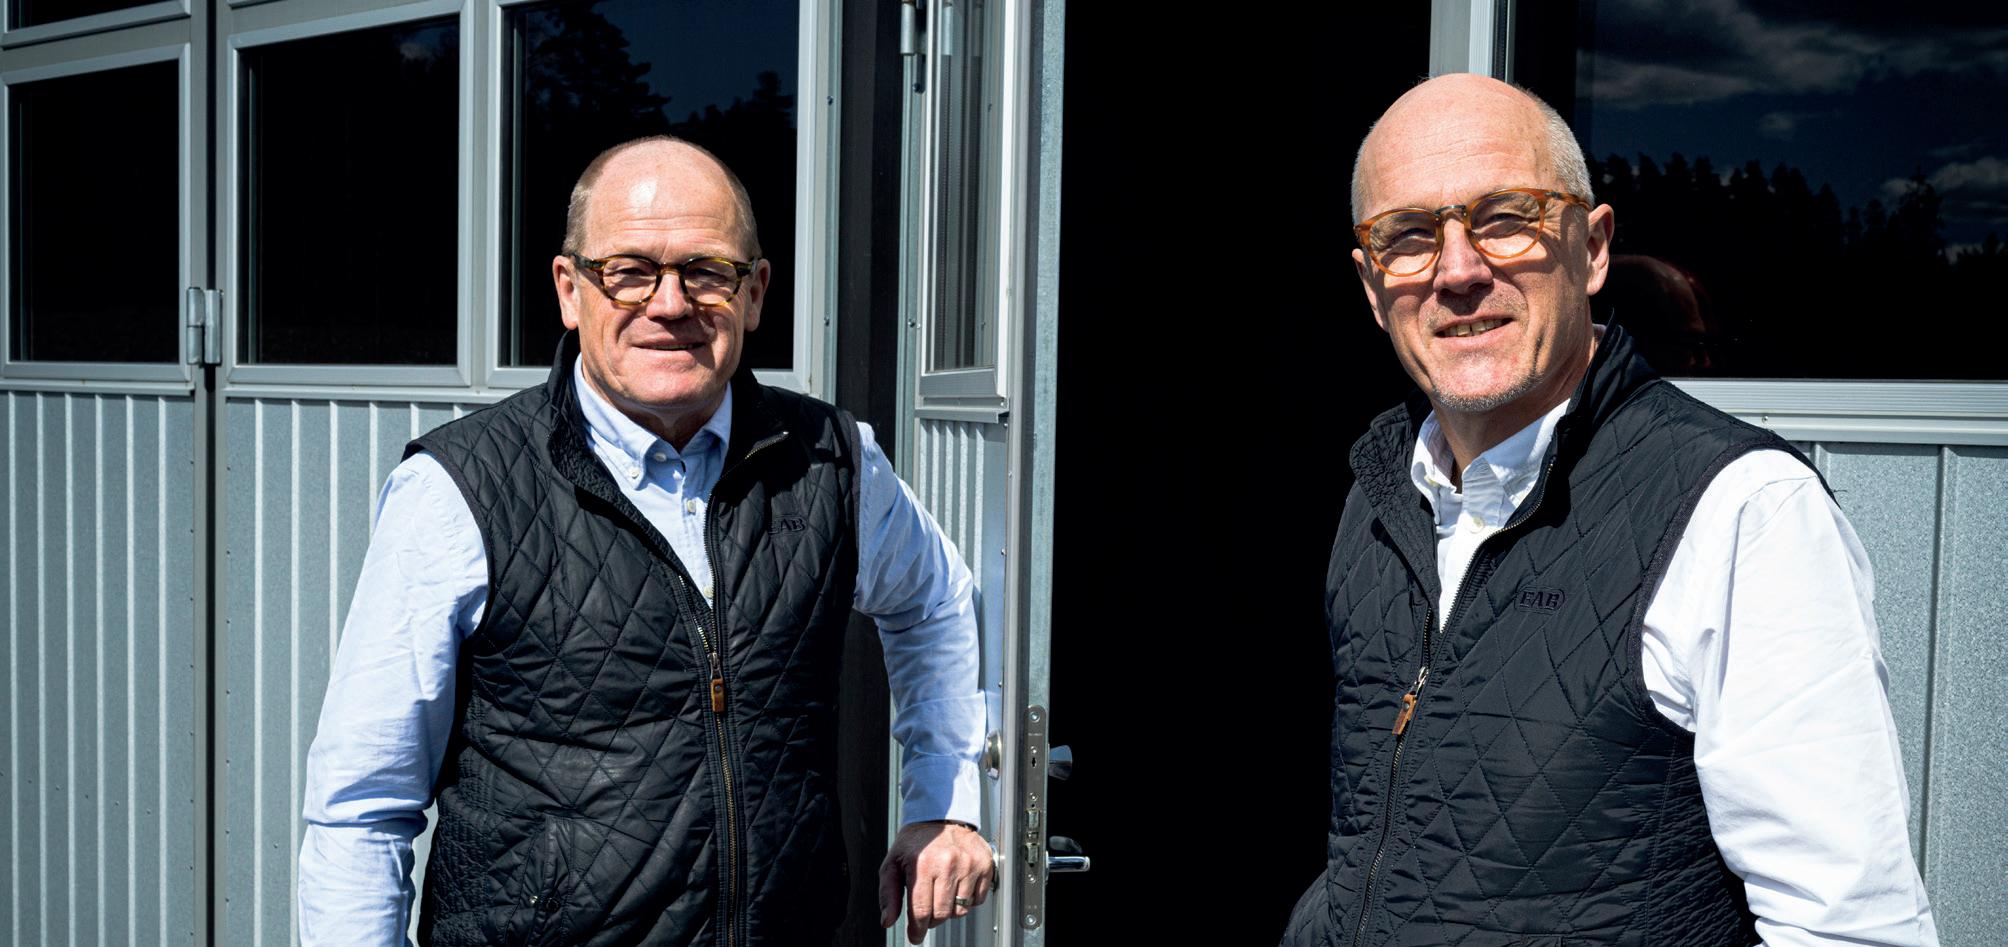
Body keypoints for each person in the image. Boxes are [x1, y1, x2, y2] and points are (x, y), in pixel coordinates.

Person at [1284, 74, 1937, 946]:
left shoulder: (1738, 511)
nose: (1459, 271)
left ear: (1591, 249)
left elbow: (1849, 928)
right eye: (1408, 236)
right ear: (1372, 287)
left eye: (1505, 218)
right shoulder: (1381, 494)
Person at [299, 136, 994, 946]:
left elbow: (937, 602)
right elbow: (362, 806)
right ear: (570, 290)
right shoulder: (459, 488)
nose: (669, 304)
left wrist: (944, 801)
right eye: (628, 271)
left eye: (707, 271)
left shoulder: (832, 461)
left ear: (755, 292)